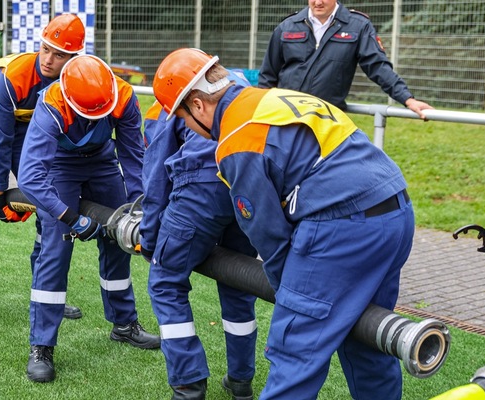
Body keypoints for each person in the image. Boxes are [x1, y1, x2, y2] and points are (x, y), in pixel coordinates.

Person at [153, 48, 415, 399]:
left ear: (198, 105)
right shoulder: (273, 98)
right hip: (397, 211)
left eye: (183, 117)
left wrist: (290, 294)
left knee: (293, 352)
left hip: (342, 226)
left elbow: (271, 239)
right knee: (366, 340)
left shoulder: (236, 139)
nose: (187, 127)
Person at [18, 54, 160, 383]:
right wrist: (69, 216)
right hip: (61, 166)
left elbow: (134, 156)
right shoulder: (52, 103)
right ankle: (41, 345)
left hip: (101, 161)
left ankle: (124, 324)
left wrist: (137, 207)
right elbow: (30, 177)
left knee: (118, 239)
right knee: (56, 249)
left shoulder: (122, 97)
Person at [0, 13, 85, 326]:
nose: (49, 59)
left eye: (60, 54)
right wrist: (0, 192)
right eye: (46, 49)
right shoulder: (13, 75)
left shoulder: (73, 78)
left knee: (52, 208)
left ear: (74, 57)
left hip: (30, 129)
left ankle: (46, 290)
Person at [141, 96, 258, 400]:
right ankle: (241, 380)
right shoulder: (239, 91)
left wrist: (151, 241)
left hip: (201, 187)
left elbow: (155, 179)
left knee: (166, 282)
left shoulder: (163, 109)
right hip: (247, 181)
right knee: (239, 281)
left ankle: (188, 385)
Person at [258, 0, 433, 118]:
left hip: (326, 119)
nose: (318, 2)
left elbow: (378, 67)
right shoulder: (287, 26)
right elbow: (268, 76)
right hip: (285, 116)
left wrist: (407, 99)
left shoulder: (358, 26)